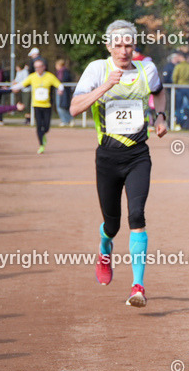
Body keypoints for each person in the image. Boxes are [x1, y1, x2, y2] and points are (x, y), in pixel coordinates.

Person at [70, 20, 168, 307]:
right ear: (108, 45)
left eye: (129, 45)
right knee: (112, 224)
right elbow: (74, 109)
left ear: (134, 46)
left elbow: (159, 92)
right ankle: (104, 247)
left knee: (137, 216)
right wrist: (105, 86)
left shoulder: (146, 69)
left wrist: (161, 117)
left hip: (138, 155)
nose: (124, 51)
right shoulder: (97, 70)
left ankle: (138, 286)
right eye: (119, 45)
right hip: (108, 158)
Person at [13, 58, 62, 153]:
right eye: (36, 67)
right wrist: (13, 88)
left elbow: (59, 85)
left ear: (44, 67)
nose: (38, 69)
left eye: (39, 67)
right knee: (39, 126)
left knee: (46, 127)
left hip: (47, 105)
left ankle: (43, 135)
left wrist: (60, 90)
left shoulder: (49, 76)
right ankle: (41, 145)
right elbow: (22, 84)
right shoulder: (32, 77)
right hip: (36, 105)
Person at [55, 59, 75, 126]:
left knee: (62, 106)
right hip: (61, 91)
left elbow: (63, 80)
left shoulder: (64, 71)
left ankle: (66, 120)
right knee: (62, 106)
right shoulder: (60, 72)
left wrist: (60, 87)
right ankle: (67, 120)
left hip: (64, 92)